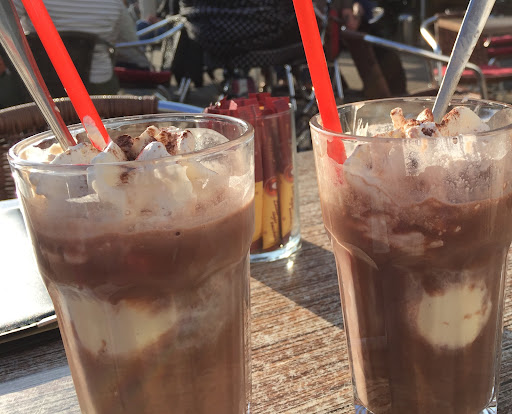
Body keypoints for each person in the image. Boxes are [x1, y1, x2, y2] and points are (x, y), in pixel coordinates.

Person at [13, 0, 149, 95]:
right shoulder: (113, 3)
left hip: (38, 85)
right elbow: (130, 45)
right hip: (97, 86)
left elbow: (7, 30)